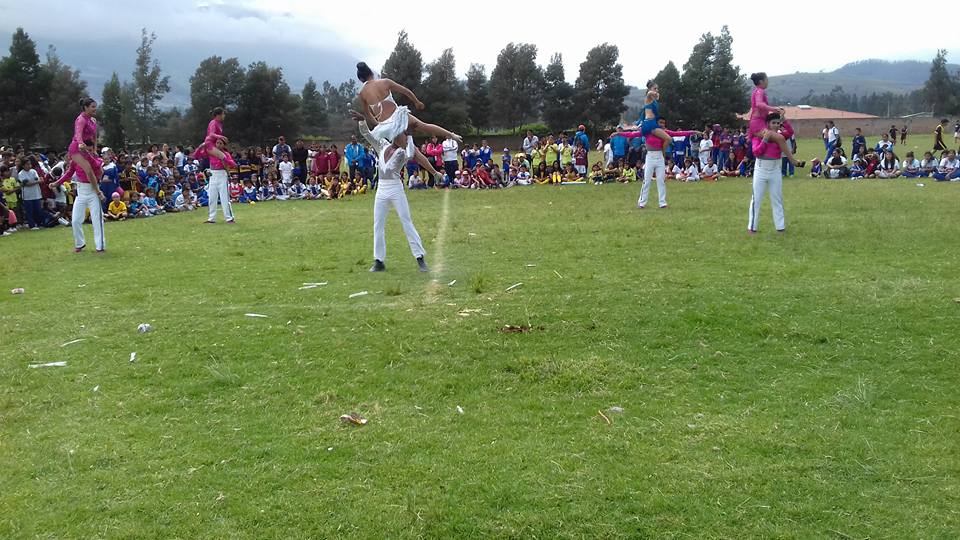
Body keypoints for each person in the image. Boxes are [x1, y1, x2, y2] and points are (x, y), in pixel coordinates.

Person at [353, 62, 459, 184]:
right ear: (371, 72)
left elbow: (367, 114)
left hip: (388, 125)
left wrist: (379, 124)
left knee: (413, 151)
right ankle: (451, 134)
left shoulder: (362, 94)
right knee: (424, 126)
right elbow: (406, 91)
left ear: (361, 79)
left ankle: (435, 173)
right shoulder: (385, 82)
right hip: (399, 115)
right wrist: (417, 102)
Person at [356, 118, 429, 272]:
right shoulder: (382, 145)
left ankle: (420, 257)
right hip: (381, 189)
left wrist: (410, 136)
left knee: (406, 221)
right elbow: (367, 134)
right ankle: (379, 261)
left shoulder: (403, 152)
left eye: (401, 134)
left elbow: (411, 153)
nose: (398, 136)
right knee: (378, 224)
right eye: (397, 134)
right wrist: (362, 121)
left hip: (396, 188)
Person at [748, 113, 794, 234]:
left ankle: (780, 227)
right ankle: (752, 227)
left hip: (775, 170)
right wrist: (765, 139)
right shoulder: (758, 136)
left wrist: (784, 120)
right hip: (761, 170)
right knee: (756, 199)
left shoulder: (780, 137)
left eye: (778, 123)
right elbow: (756, 152)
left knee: (777, 199)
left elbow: (790, 132)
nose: (776, 125)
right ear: (767, 124)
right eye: (773, 123)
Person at [66, 98, 104, 193]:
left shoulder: (92, 120)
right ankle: (98, 192)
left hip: (87, 147)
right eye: (93, 107)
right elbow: (78, 134)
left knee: (99, 168)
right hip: (76, 148)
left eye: (95, 107)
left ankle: (95, 187)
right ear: (86, 107)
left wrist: (95, 149)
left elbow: (94, 137)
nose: (95, 109)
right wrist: (80, 143)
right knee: (89, 170)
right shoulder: (81, 119)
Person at [633, 81, 673, 157]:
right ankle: (662, 154)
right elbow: (649, 93)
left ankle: (656, 153)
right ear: (649, 89)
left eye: (657, 89)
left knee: (661, 139)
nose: (657, 90)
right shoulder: (648, 98)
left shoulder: (653, 100)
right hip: (649, 124)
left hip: (652, 123)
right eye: (655, 88)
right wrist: (654, 93)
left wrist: (656, 95)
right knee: (668, 139)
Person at [203, 138, 236, 224]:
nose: (218, 145)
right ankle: (211, 218)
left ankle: (229, 218)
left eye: (221, 143)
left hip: (222, 174)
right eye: (217, 143)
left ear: (224, 145)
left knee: (224, 198)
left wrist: (224, 159)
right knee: (212, 197)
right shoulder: (212, 152)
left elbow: (233, 164)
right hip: (213, 174)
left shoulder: (225, 154)